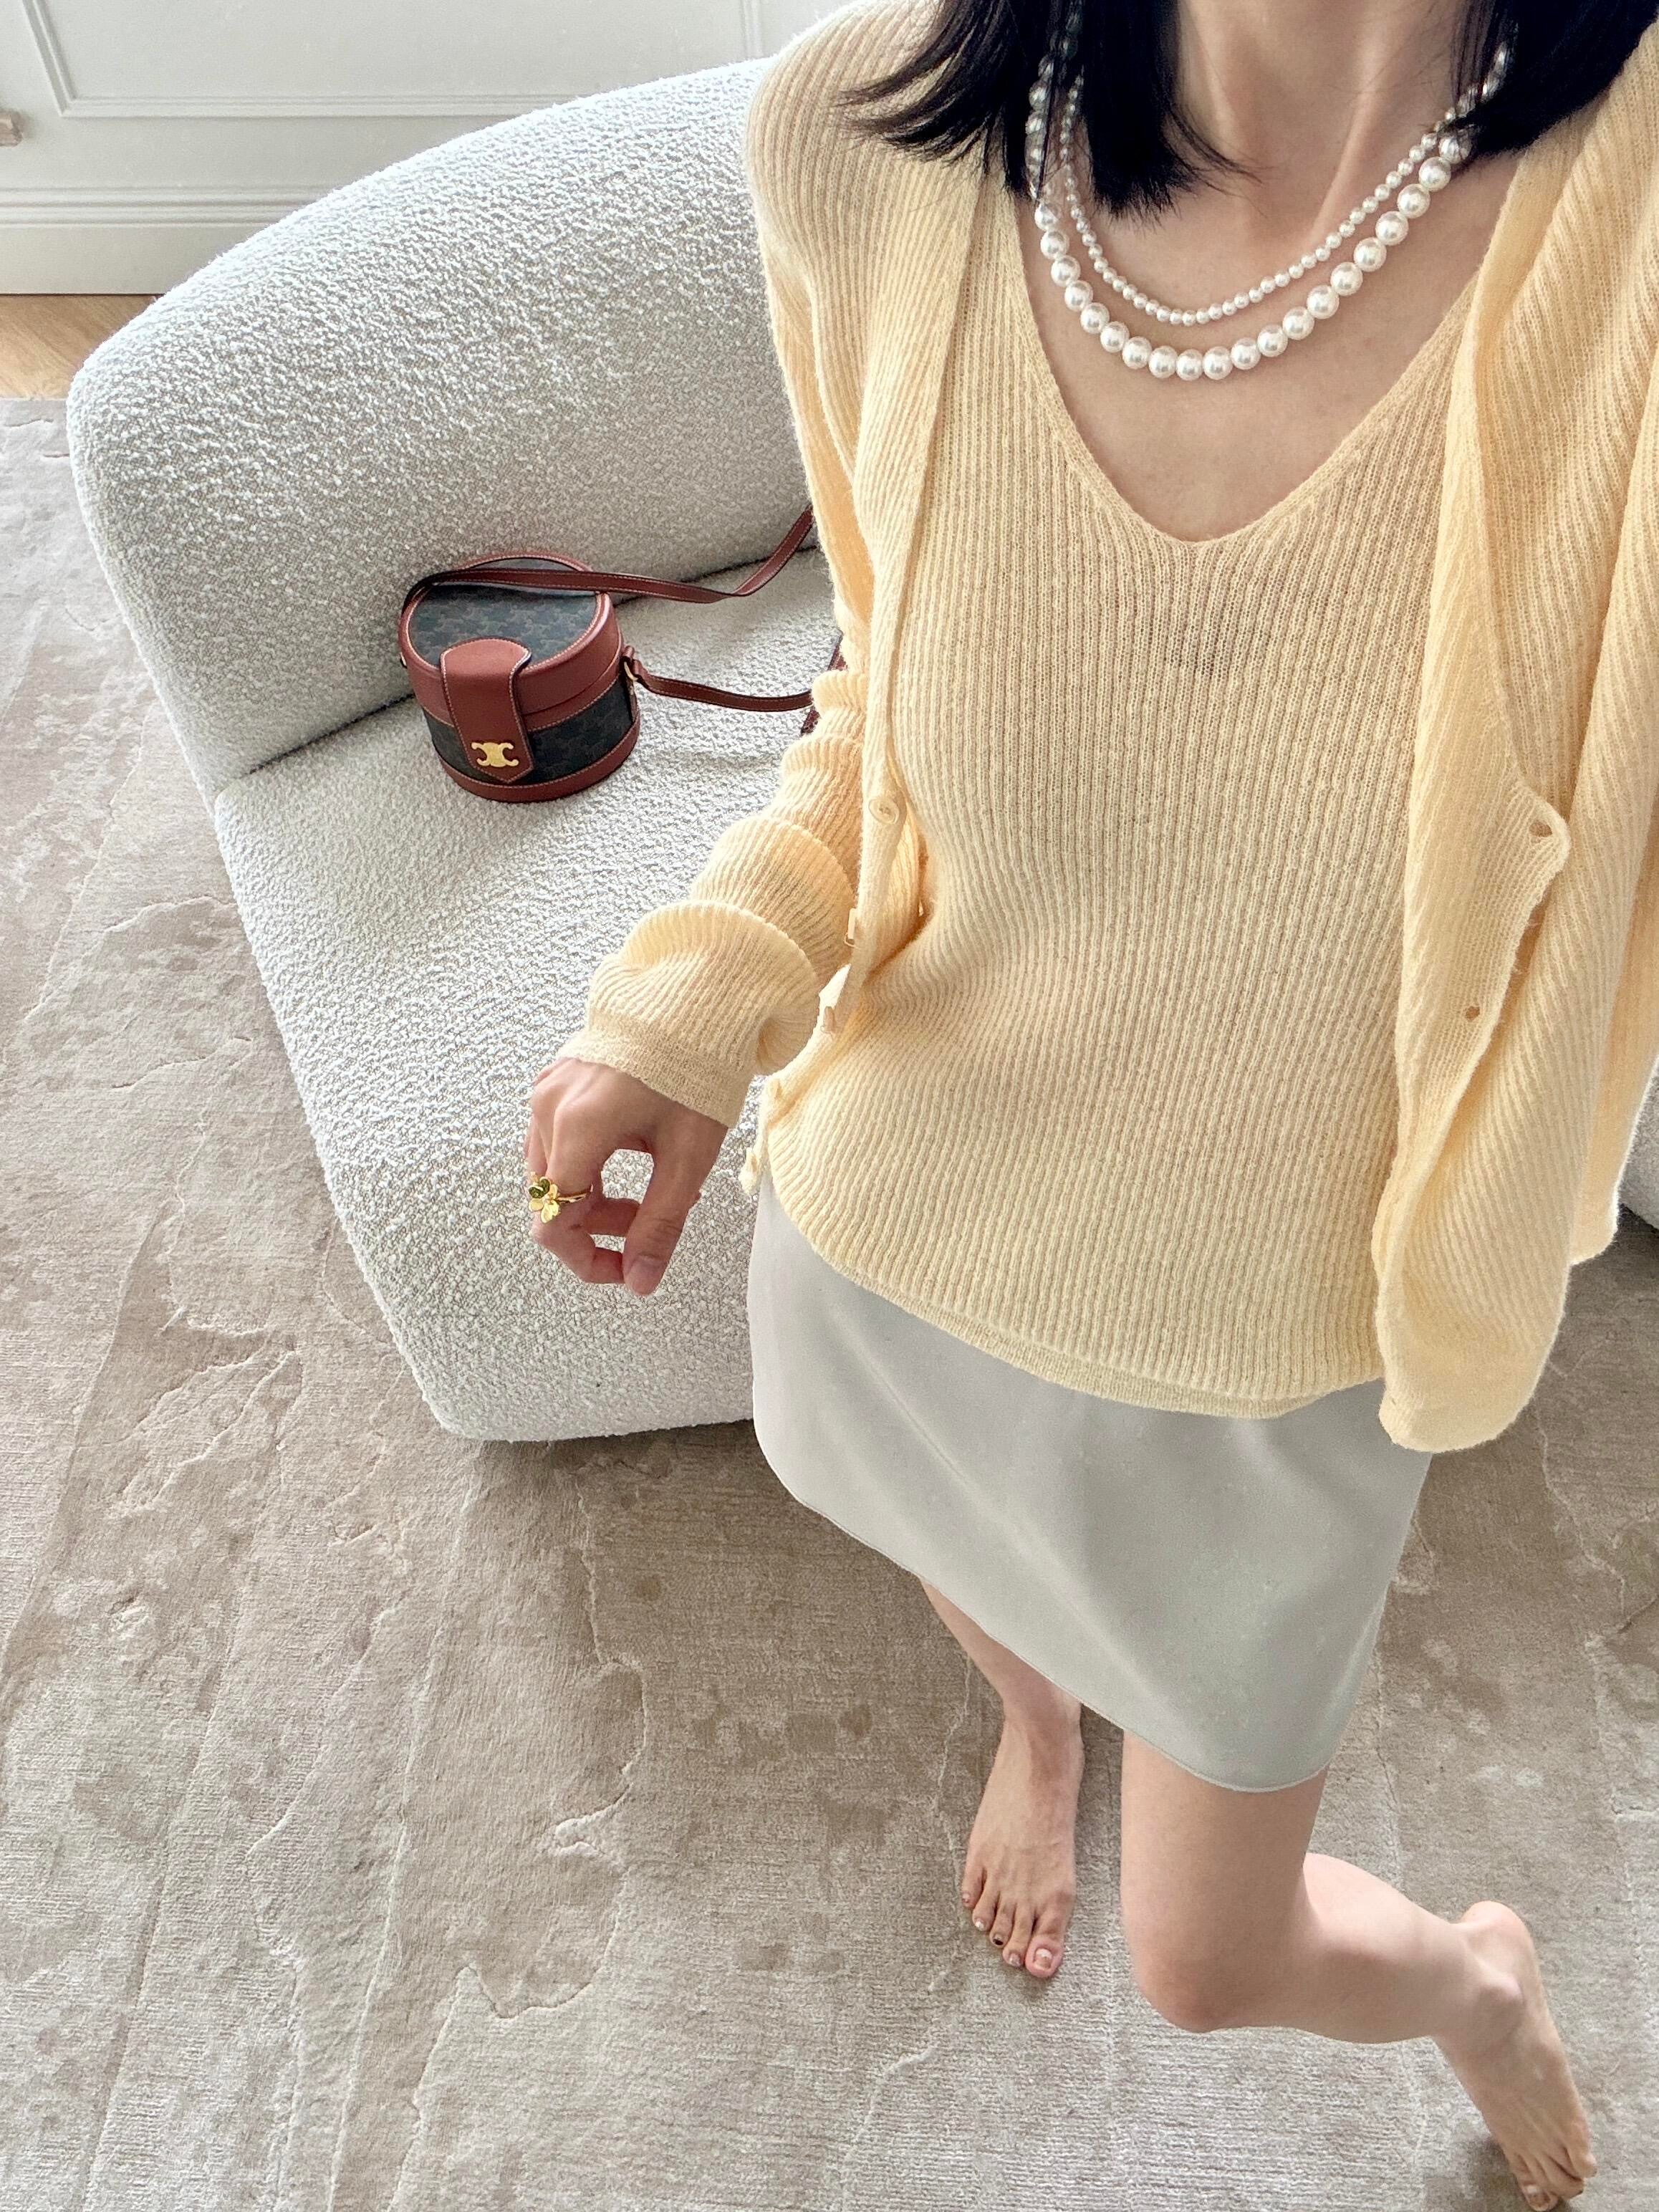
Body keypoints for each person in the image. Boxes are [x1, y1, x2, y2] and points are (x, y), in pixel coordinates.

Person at [523, 2, 1659, 2202]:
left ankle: (1476, 1992)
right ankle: (1035, 1722)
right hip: (895, 1229)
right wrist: (702, 991)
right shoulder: (859, 143)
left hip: (1269, 1355)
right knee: (959, 1551)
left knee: (1210, 1965)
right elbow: (886, 693)